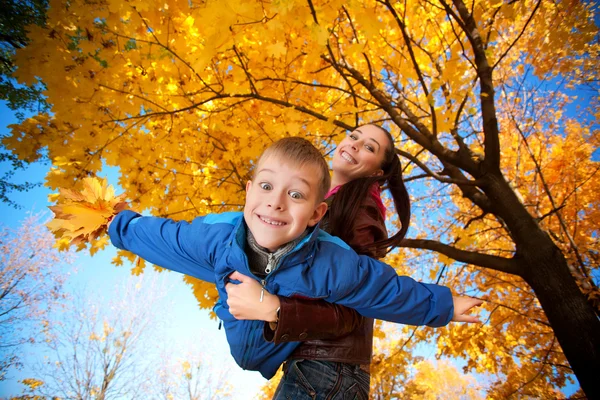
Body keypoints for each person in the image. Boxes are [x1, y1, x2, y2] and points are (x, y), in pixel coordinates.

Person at [107, 136, 482, 384]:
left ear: (317, 214)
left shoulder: (328, 259)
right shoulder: (218, 239)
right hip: (250, 338)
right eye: (267, 187)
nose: (276, 202)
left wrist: (444, 305)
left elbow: (382, 290)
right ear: (250, 191)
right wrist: (119, 224)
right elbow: (163, 237)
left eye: (296, 196)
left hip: (305, 359)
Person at [224, 124, 415, 399]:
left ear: (377, 173)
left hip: (327, 370)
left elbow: (357, 303)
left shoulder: (361, 207)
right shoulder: (319, 203)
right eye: (354, 136)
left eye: (369, 147)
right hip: (317, 369)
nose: (354, 144)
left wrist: (276, 310)